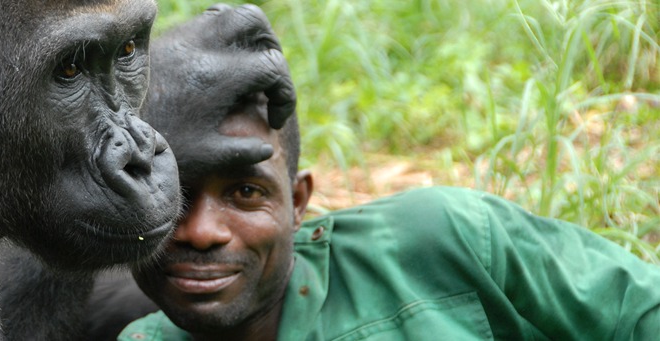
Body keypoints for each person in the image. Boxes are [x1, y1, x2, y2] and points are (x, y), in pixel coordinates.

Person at [115, 7, 660, 341]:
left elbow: (639, 314)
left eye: (246, 192)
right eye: (173, 194)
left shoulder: (444, 241)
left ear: (299, 202)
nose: (202, 231)